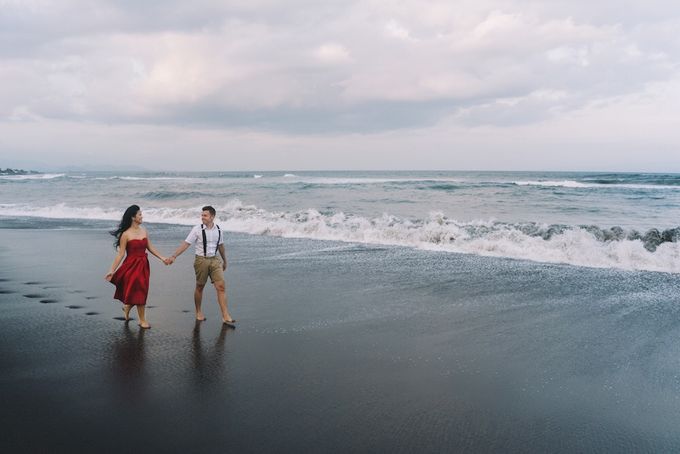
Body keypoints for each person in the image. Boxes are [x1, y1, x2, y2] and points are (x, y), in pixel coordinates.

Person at [166, 206, 235, 325]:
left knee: (221, 286)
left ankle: (225, 315)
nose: (202, 217)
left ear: (212, 217)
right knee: (200, 287)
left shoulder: (218, 229)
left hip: (215, 260)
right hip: (201, 260)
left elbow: (221, 246)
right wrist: (174, 256)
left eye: (205, 215)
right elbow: (186, 244)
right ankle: (198, 312)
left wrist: (225, 261)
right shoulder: (196, 229)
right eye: (202, 215)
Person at [105, 205, 169, 329]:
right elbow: (121, 254)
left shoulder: (144, 230)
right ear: (133, 217)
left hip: (144, 264)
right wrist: (111, 270)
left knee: (141, 289)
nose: (142, 216)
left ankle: (127, 307)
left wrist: (162, 258)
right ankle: (142, 320)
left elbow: (150, 247)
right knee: (140, 290)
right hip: (131, 266)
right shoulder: (126, 234)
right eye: (139, 214)